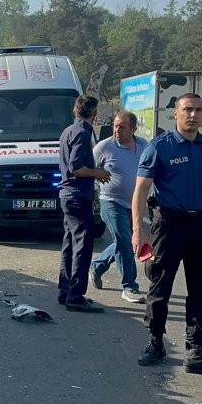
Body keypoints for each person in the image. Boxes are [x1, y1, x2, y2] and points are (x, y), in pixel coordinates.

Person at [131, 93, 202, 378]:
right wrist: (137, 230)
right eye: (187, 110)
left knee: (201, 292)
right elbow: (141, 191)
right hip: (168, 226)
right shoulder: (159, 147)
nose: (193, 115)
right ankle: (155, 343)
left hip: (201, 226)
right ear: (175, 114)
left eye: (198, 110)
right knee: (160, 289)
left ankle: (196, 351)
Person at [57, 94, 111, 313]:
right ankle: (76, 295)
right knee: (82, 245)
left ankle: (65, 289)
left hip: (68, 195)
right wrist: (98, 172)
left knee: (69, 243)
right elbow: (76, 167)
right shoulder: (82, 133)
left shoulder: (68, 131)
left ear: (75, 111)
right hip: (78, 194)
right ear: (95, 113)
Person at [90, 111, 148, 304]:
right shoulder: (104, 147)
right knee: (124, 241)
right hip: (110, 201)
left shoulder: (143, 147)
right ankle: (129, 286)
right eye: (115, 126)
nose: (117, 130)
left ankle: (97, 265)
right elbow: (88, 169)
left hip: (134, 204)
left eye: (122, 127)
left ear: (133, 129)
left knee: (127, 242)